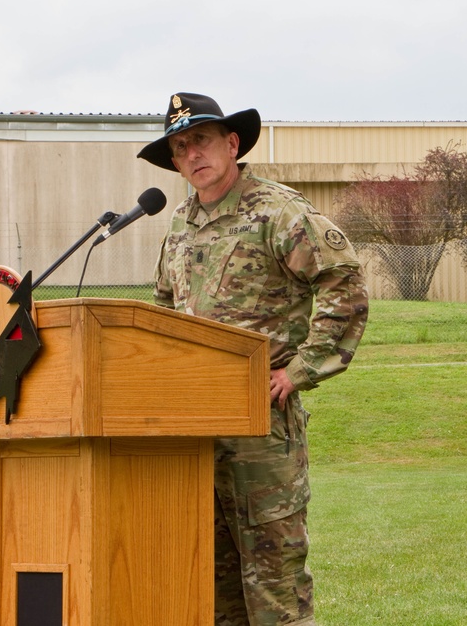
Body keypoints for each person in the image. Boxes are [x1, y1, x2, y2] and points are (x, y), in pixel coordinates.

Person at [139, 93, 368, 626]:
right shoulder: (179, 224)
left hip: (261, 427)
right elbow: (164, 311)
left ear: (232, 143)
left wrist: (301, 369)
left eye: (200, 139)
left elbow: (344, 283)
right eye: (179, 147)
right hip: (196, 429)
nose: (191, 153)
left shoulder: (278, 211)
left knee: (274, 584)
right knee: (211, 585)